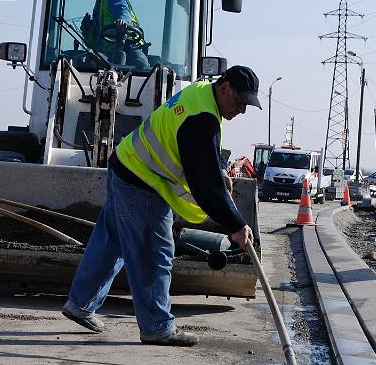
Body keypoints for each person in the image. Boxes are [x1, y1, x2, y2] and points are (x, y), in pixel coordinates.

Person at [62, 66, 262, 346]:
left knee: (111, 241)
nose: (241, 110)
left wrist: (218, 170)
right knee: (154, 253)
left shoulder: (201, 93)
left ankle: (80, 304)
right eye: (240, 102)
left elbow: (203, 154)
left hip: (126, 165)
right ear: (225, 87)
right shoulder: (203, 119)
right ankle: (157, 326)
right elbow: (206, 186)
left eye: (246, 106)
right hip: (143, 182)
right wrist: (235, 225)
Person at [79, 0, 147, 66]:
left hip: (130, 47)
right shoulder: (100, 4)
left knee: (141, 65)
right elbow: (96, 43)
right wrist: (87, 30)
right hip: (109, 55)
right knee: (84, 62)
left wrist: (122, 21)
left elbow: (122, 11)